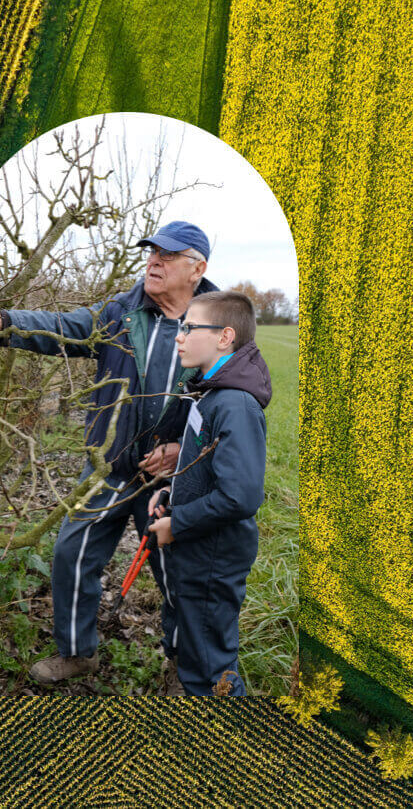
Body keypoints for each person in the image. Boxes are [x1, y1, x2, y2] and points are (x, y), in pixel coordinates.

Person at [0, 221, 219, 691]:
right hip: (112, 463)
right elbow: (62, 327)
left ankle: (186, 666)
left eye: (168, 255)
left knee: (179, 573)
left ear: (197, 268)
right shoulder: (122, 312)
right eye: (152, 252)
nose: (154, 261)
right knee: (71, 551)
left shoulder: (221, 325)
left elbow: (245, 397)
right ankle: (77, 653)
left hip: (174, 479)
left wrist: (184, 450)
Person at [145, 290, 271, 696]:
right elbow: (207, 469)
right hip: (195, 547)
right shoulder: (211, 393)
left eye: (189, 327)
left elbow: (240, 496)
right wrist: (171, 492)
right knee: (188, 634)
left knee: (211, 663)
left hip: (212, 556)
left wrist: (178, 522)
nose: (179, 337)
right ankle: (185, 682)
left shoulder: (233, 404)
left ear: (224, 337)